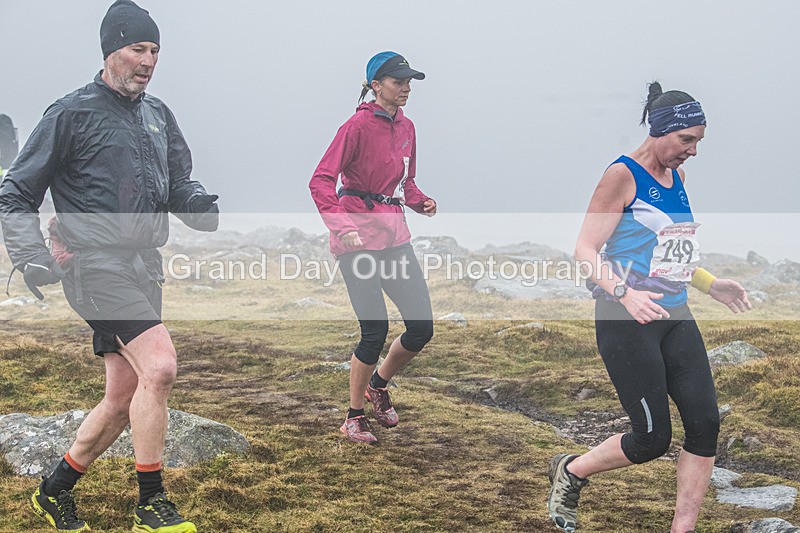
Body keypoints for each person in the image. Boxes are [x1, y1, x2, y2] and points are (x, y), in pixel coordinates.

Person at [0, 1, 219, 531]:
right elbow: (15, 192)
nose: (148, 61)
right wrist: (29, 257)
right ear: (110, 52)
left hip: (144, 265)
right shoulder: (70, 113)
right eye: (138, 49)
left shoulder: (158, 115)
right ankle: (151, 502)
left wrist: (196, 203)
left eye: (156, 51)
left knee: (124, 395)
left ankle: (52, 492)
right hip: (91, 264)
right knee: (162, 366)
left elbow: (178, 178)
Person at [547, 82, 752, 533]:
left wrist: (709, 283)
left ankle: (683, 528)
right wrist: (624, 293)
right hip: (626, 319)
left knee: (704, 423)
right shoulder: (621, 175)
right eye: (687, 140)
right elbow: (584, 248)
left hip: (675, 315)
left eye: (698, 141)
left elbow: (670, 252)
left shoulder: (676, 176)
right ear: (662, 130)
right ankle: (573, 470)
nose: (693, 151)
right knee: (651, 439)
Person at [309, 51, 437, 444]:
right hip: (357, 241)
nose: (406, 88)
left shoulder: (409, 127)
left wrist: (420, 201)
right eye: (398, 81)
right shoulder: (356, 126)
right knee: (374, 331)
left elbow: (405, 183)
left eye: (409, 81)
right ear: (375, 86)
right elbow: (320, 181)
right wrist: (342, 227)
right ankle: (353, 416)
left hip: (395, 237)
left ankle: (378, 384)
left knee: (421, 327)